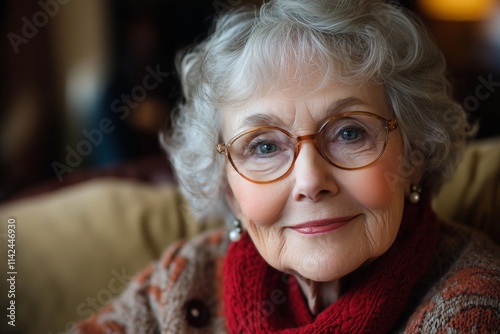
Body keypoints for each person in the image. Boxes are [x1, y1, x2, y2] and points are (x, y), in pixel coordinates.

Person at [76, 0, 500, 332]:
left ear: (414, 156)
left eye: (350, 133)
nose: (311, 181)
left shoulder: (470, 306)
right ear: (228, 187)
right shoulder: (180, 282)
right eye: (263, 146)